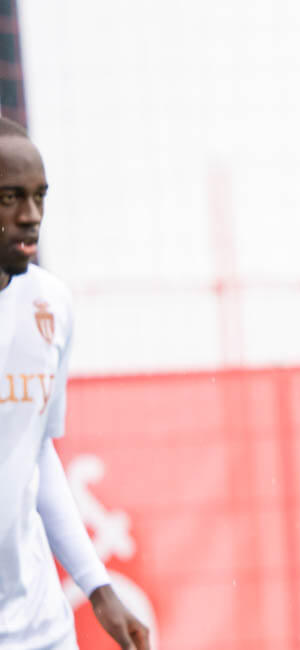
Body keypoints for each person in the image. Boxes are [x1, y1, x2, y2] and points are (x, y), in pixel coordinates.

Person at [0, 118, 150, 650]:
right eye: (10, 197)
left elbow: (37, 452)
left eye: (39, 196)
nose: (31, 215)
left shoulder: (52, 305)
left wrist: (98, 589)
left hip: (42, 625)